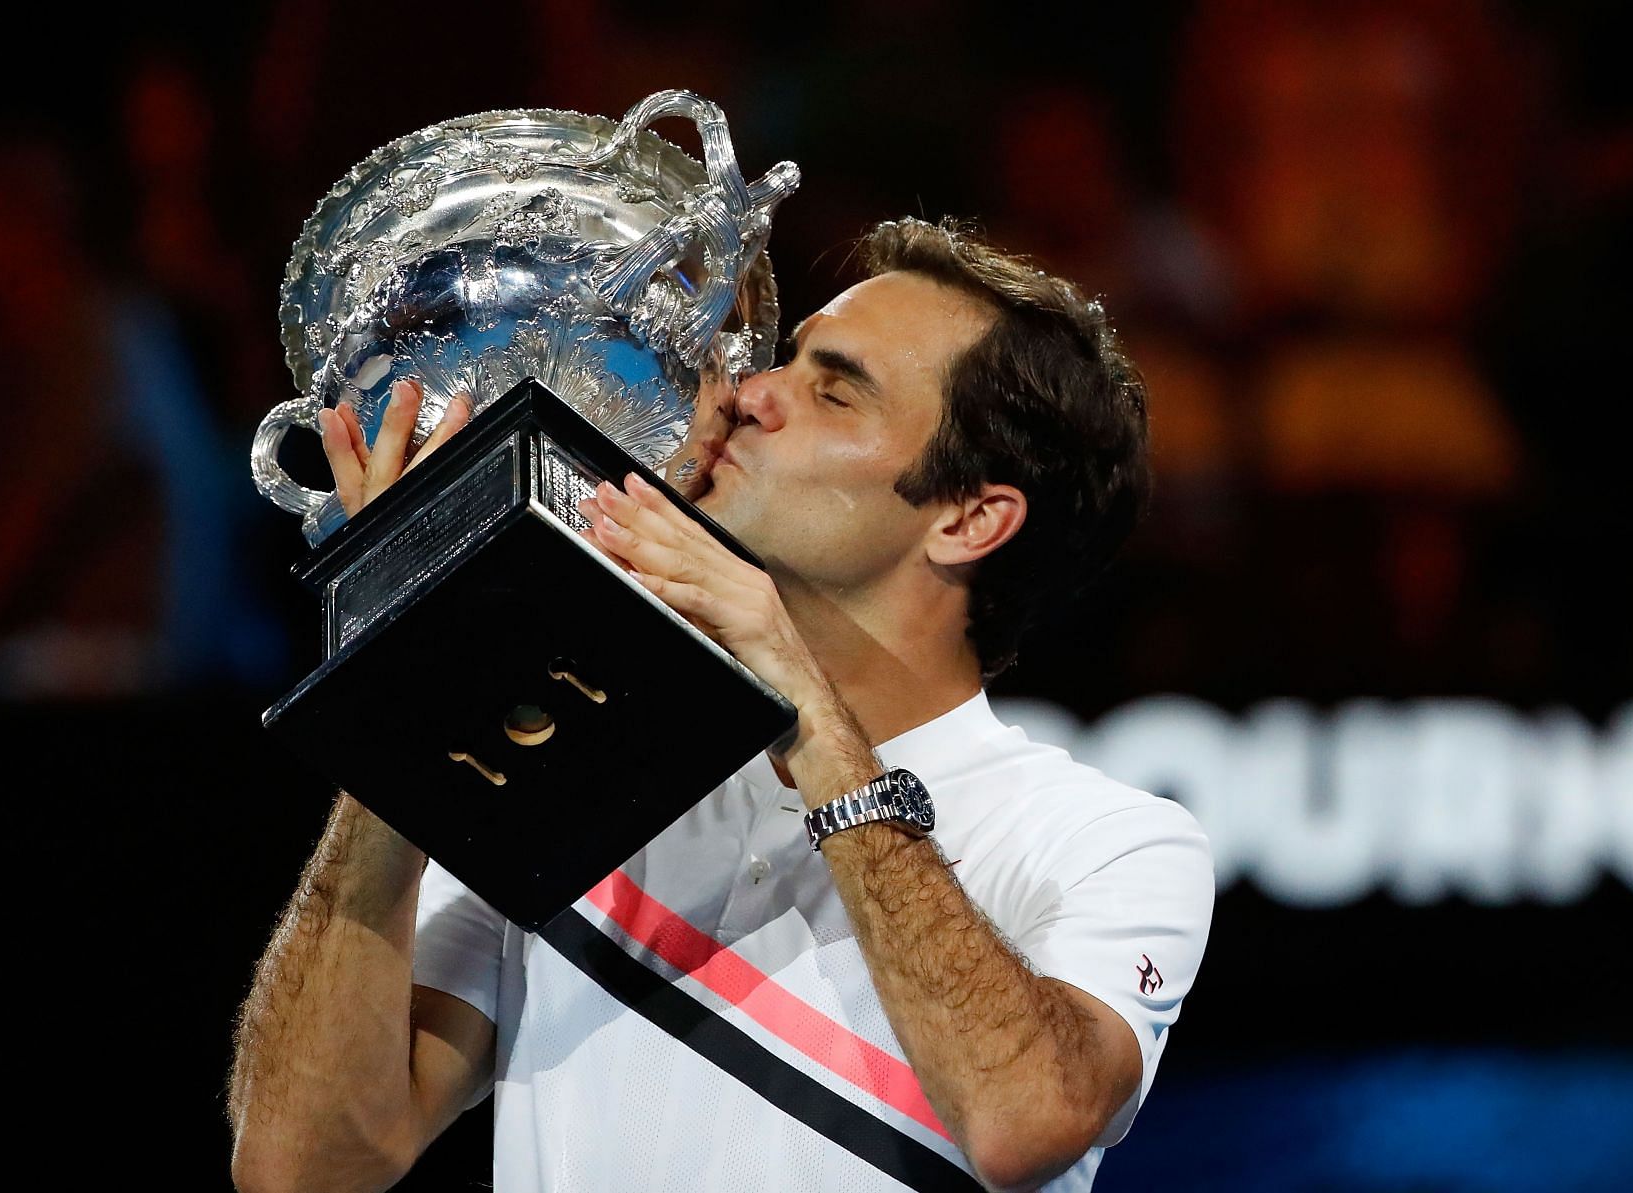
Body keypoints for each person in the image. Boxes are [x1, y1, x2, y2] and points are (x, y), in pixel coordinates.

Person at [227, 217, 1214, 1193]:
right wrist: (410, 677)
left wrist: (806, 713)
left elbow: (1021, 1123)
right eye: (786, 361)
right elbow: (302, 1164)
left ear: (969, 518)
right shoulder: (563, 748)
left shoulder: (1110, 841)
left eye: (834, 391)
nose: (748, 393)